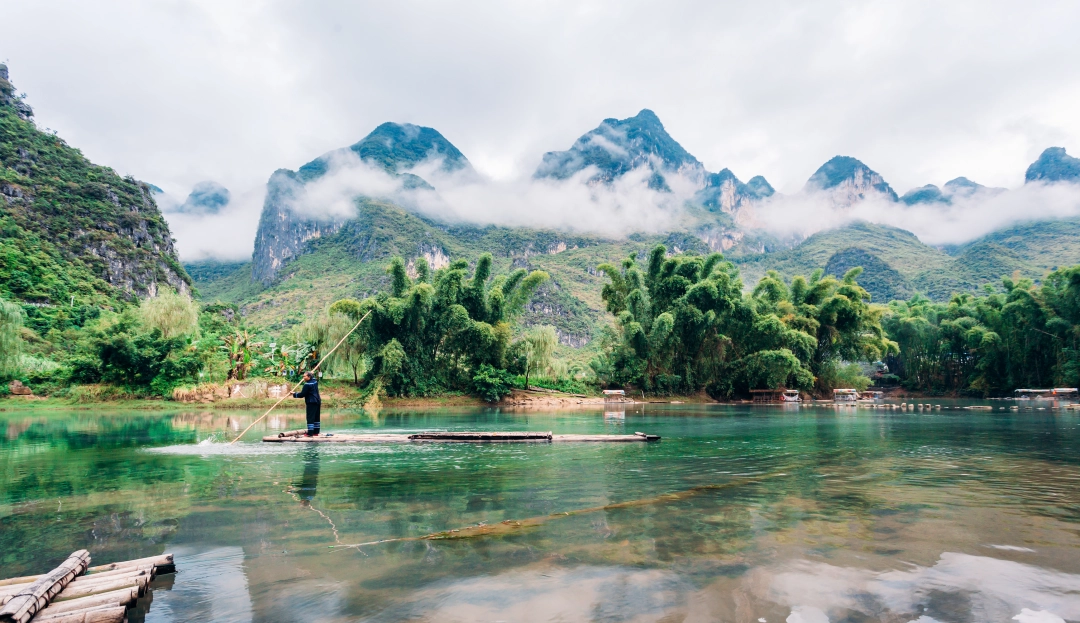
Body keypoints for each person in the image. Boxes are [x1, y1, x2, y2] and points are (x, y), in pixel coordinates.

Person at [293, 371, 322, 436]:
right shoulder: (315, 382)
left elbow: (302, 394)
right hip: (317, 401)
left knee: (310, 417)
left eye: (304, 376)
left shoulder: (307, 385)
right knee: (316, 417)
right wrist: (311, 373)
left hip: (311, 402)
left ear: (309, 377)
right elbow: (313, 378)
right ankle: (316, 432)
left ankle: (310, 433)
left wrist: (294, 394)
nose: (303, 378)